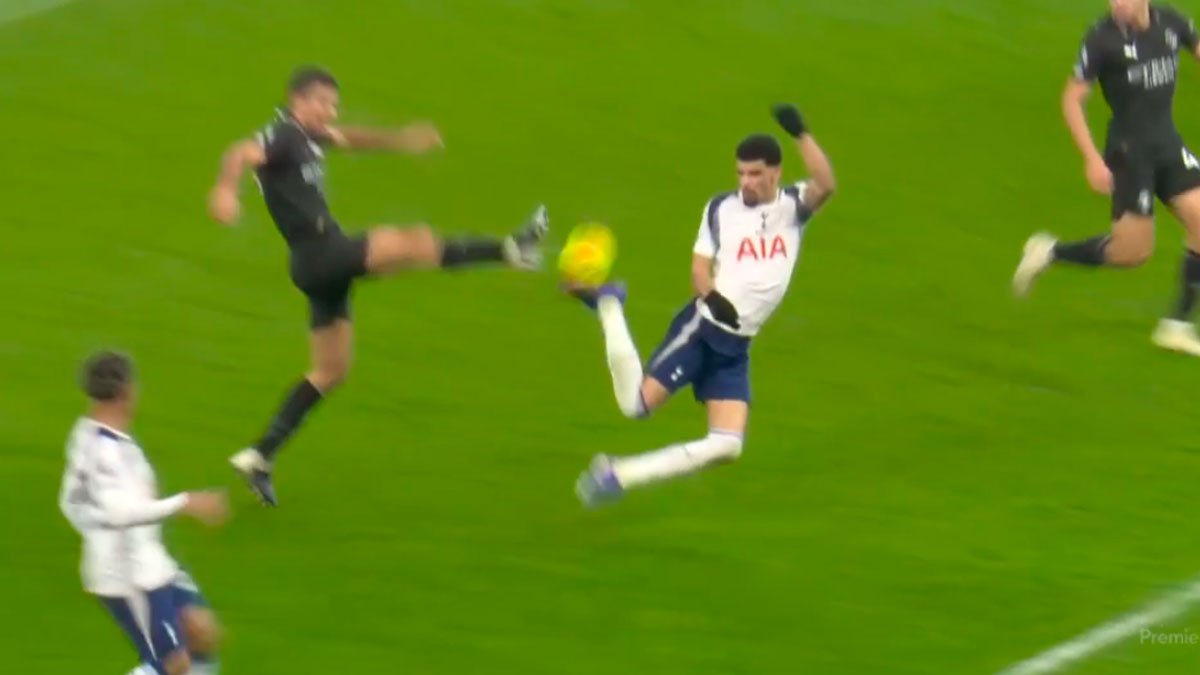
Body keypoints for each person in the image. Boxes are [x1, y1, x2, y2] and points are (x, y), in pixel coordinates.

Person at [208, 66, 549, 505]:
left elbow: (351, 138)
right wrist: (225, 189)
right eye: (323, 103)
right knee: (414, 242)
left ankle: (261, 455)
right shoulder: (285, 135)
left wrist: (401, 140)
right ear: (298, 100)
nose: (331, 111)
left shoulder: (310, 136)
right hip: (323, 252)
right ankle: (511, 250)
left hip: (314, 266)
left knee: (331, 370)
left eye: (334, 104)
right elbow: (241, 152)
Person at [570, 104, 835, 506]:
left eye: (755, 174)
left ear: (775, 172)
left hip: (738, 345)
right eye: (740, 173)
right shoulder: (721, 209)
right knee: (636, 406)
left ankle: (618, 473)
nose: (745, 182)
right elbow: (699, 268)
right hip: (703, 330)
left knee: (727, 446)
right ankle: (609, 304)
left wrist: (801, 134)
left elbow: (826, 184)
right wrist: (711, 297)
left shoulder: (792, 207)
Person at [1014, 1, 1200, 355]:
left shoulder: (1171, 21)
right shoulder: (1102, 39)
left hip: (1167, 143)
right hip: (1130, 154)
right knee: (1132, 253)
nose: (1116, 4)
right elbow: (1072, 99)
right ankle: (1050, 251)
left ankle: (1176, 326)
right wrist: (1091, 159)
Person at [59, 350, 229, 675]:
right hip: (127, 577)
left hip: (150, 562)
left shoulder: (94, 434)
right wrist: (186, 503)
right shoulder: (105, 451)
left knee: (202, 630)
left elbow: (70, 501)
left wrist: (94, 529)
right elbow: (119, 513)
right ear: (127, 391)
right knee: (174, 664)